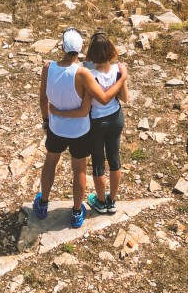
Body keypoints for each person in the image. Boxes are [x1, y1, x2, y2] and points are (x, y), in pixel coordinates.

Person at [34, 28, 127, 229]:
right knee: (79, 170)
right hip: (79, 131)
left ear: (62, 47)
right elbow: (101, 99)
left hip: (56, 127)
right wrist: (122, 77)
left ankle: (43, 204)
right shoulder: (83, 73)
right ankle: (77, 212)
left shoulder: (48, 67)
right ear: (82, 48)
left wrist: (46, 119)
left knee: (50, 163)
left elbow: (43, 99)